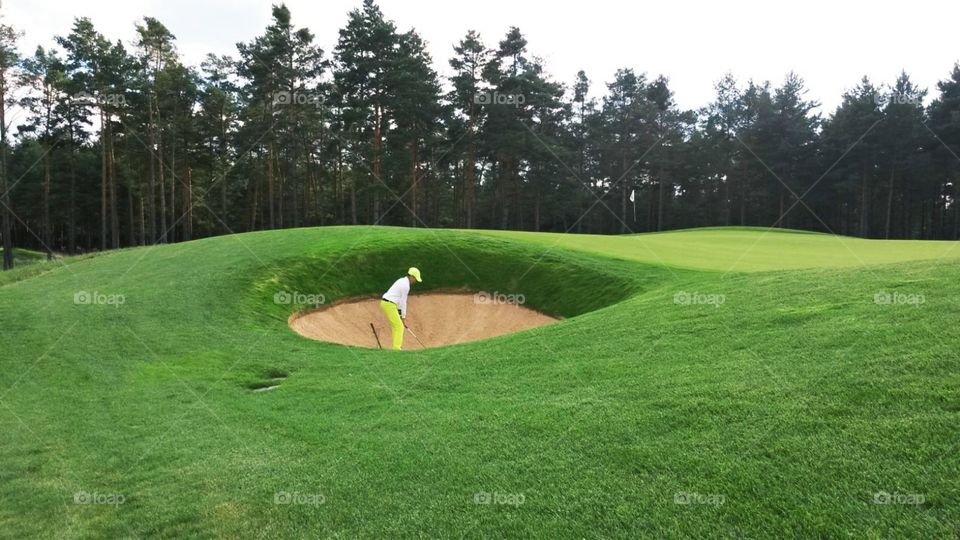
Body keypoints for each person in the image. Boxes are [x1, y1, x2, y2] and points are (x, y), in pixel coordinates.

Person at [379, 267, 422, 350]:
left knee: (396, 326)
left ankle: (396, 346)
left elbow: (399, 302)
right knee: (399, 326)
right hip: (389, 304)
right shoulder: (405, 286)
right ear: (412, 276)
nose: (415, 281)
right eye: (415, 279)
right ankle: (397, 348)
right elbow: (403, 302)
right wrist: (403, 317)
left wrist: (400, 315)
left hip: (388, 303)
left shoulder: (402, 280)